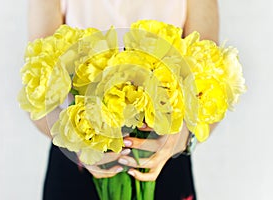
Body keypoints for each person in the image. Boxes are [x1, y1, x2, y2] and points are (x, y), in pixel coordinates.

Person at [28, 0, 219, 199]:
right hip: (79, 162)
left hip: (163, 160)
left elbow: (212, 86)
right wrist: (77, 141)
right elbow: (36, 93)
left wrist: (181, 140)